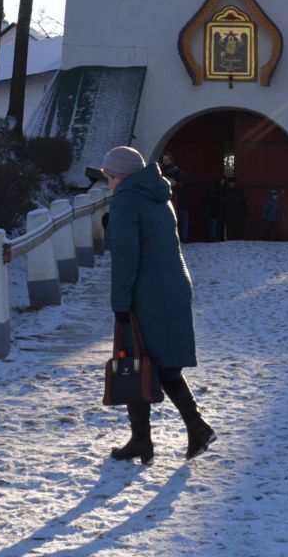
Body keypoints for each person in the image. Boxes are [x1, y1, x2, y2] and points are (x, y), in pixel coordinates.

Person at [102, 145, 215, 465]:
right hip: (172, 286)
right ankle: (145, 438)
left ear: (119, 175)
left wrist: (120, 304)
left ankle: (193, 428)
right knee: (148, 362)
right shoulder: (158, 195)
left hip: (147, 293)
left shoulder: (126, 200)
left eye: (108, 176)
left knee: (144, 362)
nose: (107, 182)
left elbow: (126, 257)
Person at [157, 152, 188, 241]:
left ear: (170, 160)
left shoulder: (177, 171)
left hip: (173, 197)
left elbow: (184, 184)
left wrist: (175, 184)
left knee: (173, 218)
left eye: (167, 159)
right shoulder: (159, 171)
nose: (166, 161)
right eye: (164, 159)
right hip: (161, 197)